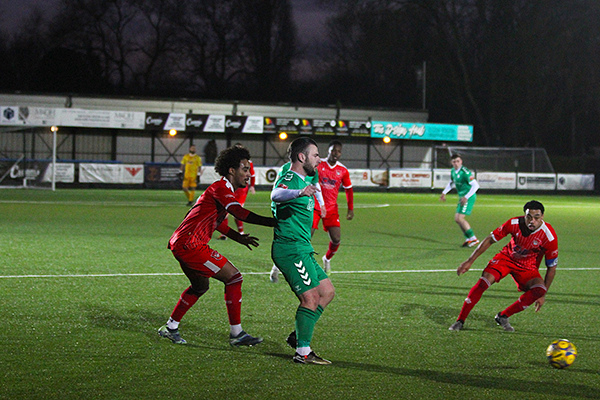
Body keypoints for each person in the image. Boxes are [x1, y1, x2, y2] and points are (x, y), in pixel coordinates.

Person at [158, 145, 277, 346]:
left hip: (182, 243)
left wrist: (237, 237)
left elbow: (217, 222)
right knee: (234, 278)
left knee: (200, 286)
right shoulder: (220, 188)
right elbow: (239, 213)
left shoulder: (221, 189)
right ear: (231, 170)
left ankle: (170, 327)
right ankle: (237, 334)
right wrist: (275, 222)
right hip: (190, 244)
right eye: (244, 169)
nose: (248, 174)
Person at [271, 137, 335, 364]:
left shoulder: (305, 180)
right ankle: (303, 352)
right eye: (315, 155)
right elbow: (275, 195)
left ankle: (298, 336)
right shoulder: (290, 178)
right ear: (302, 157)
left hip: (303, 248)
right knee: (310, 298)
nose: (319, 160)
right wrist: (298, 193)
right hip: (290, 249)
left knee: (327, 292)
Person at [448, 200, 558, 332]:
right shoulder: (514, 223)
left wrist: (542, 294)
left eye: (536, 217)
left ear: (542, 217)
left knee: (540, 289)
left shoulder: (549, 237)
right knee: (483, 282)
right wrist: (470, 261)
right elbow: (490, 239)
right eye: (528, 217)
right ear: (524, 215)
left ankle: (503, 316)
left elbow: (551, 268)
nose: (532, 221)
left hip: (527, 267)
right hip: (506, 259)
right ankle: (460, 320)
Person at [269, 161, 325, 283]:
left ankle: (302, 263)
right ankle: (277, 268)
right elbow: (277, 189)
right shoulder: (286, 170)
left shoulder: (312, 170)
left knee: (306, 239)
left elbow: (315, 184)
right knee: (294, 241)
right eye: (315, 155)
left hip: (307, 207)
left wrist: (322, 204)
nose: (318, 160)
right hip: (293, 209)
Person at [313, 140, 354, 274]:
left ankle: (327, 259)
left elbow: (348, 189)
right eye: (333, 150)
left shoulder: (343, 170)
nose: (336, 153)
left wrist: (350, 209)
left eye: (338, 151)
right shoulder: (319, 164)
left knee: (336, 239)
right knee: (307, 237)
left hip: (331, 209)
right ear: (328, 151)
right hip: (315, 207)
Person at [440, 153, 480, 247]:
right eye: (454, 162)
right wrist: (444, 193)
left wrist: (466, 197)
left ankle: (473, 239)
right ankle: (468, 239)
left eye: (458, 161)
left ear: (461, 161)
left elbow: (476, 185)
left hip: (468, 197)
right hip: (462, 197)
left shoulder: (465, 172)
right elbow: (451, 183)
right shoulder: (453, 171)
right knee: (457, 219)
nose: (456, 163)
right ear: (451, 162)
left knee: (460, 218)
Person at [219, 143, 256, 239]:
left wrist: (252, 186)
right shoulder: (230, 161)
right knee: (224, 211)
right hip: (230, 188)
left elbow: (252, 175)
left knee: (237, 211)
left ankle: (241, 233)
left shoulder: (248, 163)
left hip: (241, 190)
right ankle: (224, 234)